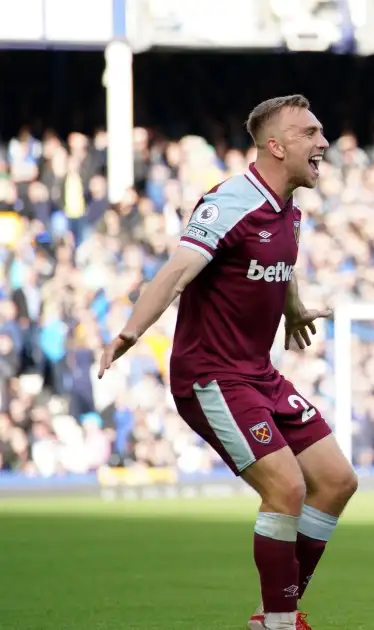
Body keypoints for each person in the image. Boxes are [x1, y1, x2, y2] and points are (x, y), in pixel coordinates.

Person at [98, 95, 357, 630]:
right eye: (310, 133)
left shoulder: (290, 211)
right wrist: (130, 331)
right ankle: (280, 622)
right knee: (286, 488)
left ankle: (273, 611)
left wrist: (295, 309)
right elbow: (177, 271)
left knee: (335, 481)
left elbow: (280, 264)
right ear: (275, 145)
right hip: (210, 376)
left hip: (257, 373)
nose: (323, 143)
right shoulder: (230, 201)